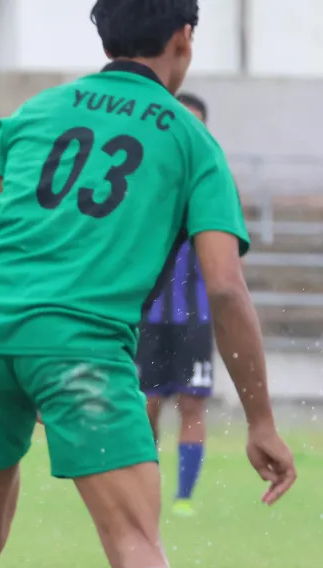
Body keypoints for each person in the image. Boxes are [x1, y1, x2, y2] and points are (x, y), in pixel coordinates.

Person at [0, 1, 296, 568]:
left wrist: (15, 324)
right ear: (183, 40)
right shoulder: (190, 138)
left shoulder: (32, 113)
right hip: (82, 347)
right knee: (135, 543)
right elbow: (224, 283)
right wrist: (262, 420)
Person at [137, 92, 216, 517]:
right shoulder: (146, 180)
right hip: (149, 315)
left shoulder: (212, 183)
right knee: (147, 405)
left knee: (191, 403)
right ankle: (145, 488)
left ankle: (184, 496)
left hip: (195, 318)